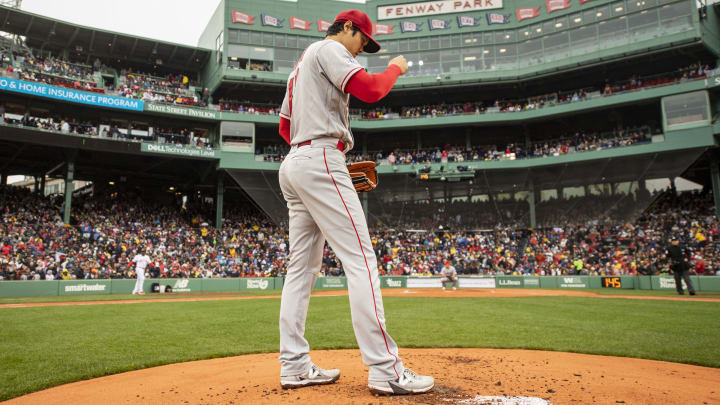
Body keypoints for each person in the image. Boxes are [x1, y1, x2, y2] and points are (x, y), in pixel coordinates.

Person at [276, 9, 434, 395]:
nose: (363, 49)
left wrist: (316, 159)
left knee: (301, 271)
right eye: (362, 40)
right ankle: (386, 370)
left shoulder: (301, 67)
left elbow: (284, 127)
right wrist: (395, 68)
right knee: (362, 261)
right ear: (346, 27)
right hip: (320, 160)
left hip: (296, 162)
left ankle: (294, 366)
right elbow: (373, 90)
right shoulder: (329, 49)